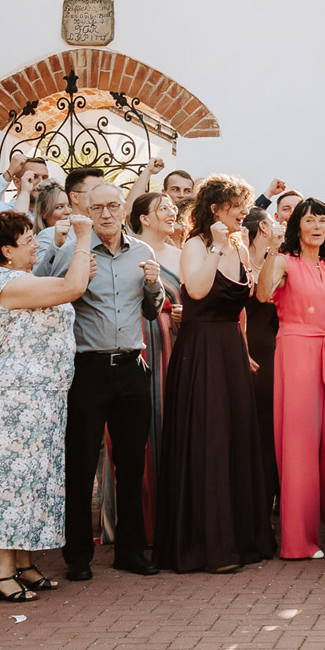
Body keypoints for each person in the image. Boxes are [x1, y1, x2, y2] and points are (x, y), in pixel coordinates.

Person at [154, 174, 274, 573]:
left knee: (237, 438)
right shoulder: (194, 245)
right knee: (210, 440)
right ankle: (209, 545)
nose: (245, 211)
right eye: (237, 205)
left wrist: (243, 350)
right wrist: (218, 247)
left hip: (229, 351)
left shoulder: (239, 244)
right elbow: (200, 291)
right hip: (200, 352)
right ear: (215, 210)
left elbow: (245, 306)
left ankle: (242, 539)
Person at [0, 209, 93, 602]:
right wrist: (83, 235)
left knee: (34, 480)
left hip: (44, 397)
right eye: (29, 242)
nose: (36, 247)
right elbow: (73, 288)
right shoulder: (7, 282)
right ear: (7, 250)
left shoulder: (27, 279)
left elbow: (67, 286)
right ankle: (1, 571)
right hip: (18, 397)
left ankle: (23, 563)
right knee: (13, 481)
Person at [49, 180, 164, 581]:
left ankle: (130, 552)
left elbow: (153, 311)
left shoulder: (144, 252)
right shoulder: (73, 251)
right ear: (86, 209)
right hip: (87, 369)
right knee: (81, 465)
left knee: (131, 463)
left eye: (113, 205)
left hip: (133, 367)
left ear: (123, 209)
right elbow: (51, 294)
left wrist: (154, 285)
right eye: (98, 207)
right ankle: (77, 556)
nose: (106, 213)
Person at [256, 197, 325, 559]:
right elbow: (262, 294)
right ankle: (300, 541)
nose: (318, 226)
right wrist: (271, 253)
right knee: (300, 445)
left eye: (323, 220)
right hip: (296, 352)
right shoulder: (285, 262)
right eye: (310, 220)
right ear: (298, 227)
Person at [128, 190, 182, 541]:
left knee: (169, 422)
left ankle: (169, 515)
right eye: (162, 208)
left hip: (173, 342)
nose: (171, 212)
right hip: (135, 340)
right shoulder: (128, 250)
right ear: (144, 218)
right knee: (135, 429)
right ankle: (135, 521)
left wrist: (185, 313)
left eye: (173, 208)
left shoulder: (182, 255)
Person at [241, 205, 282, 522]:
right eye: (273, 223)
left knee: (267, 428)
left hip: (269, 354)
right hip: (237, 348)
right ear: (264, 230)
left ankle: (267, 498)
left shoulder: (276, 264)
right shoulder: (236, 260)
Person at [34, 166, 104, 273]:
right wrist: (56, 246)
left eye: (103, 190)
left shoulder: (108, 229)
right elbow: (38, 277)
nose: (101, 196)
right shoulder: (50, 235)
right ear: (74, 197)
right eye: (94, 191)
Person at [0, 152, 50, 217]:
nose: (41, 182)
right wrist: (10, 172)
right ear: (17, 182)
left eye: (44, 178)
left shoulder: (50, 215)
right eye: (34, 176)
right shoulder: (1, 211)